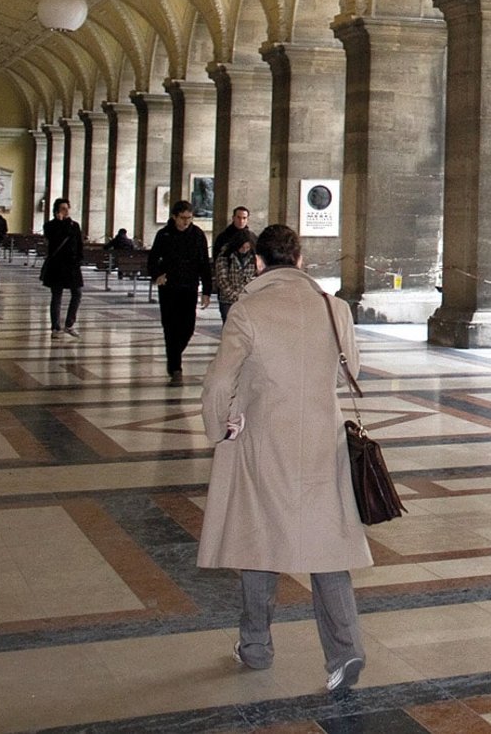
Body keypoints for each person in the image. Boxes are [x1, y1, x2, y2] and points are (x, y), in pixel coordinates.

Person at [197, 222, 369, 694]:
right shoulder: (335, 309)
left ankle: (255, 646)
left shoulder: (248, 311)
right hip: (321, 442)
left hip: (263, 442)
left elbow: (216, 383)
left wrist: (222, 425)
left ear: (257, 262)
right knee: (328, 546)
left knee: (258, 543)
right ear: (300, 259)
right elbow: (351, 369)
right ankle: (344, 650)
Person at [148, 199, 211, 385]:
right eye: (182, 218)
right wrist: (157, 275)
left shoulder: (198, 235)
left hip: (189, 287)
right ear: (174, 217)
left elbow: (204, 264)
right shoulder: (164, 234)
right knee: (170, 327)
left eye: (189, 218)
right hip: (168, 287)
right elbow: (152, 259)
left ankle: (173, 356)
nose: (186, 222)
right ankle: (176, 367)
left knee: (188, 327)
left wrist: (207, 290)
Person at [40, 198, 84, 338]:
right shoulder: (50, 226)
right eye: (62, 208)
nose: (66, 211)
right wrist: (60, 223)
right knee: (57, 295)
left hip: (72, 266)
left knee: (77, 293)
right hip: (57, 266)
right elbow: (54, 239)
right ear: (57, 210)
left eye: (67, 208)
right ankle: (55, 327)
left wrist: (79, 260)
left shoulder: (74, 225)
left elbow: (79, 244)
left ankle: (69, 324)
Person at [211, 225, 258, 322]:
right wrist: (235, 296)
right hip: (228, 300)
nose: (244, 250)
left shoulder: (254, 258)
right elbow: (222, 279)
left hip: (247, 299)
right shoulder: (225, 256)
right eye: (242, 247)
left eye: (247, 247)